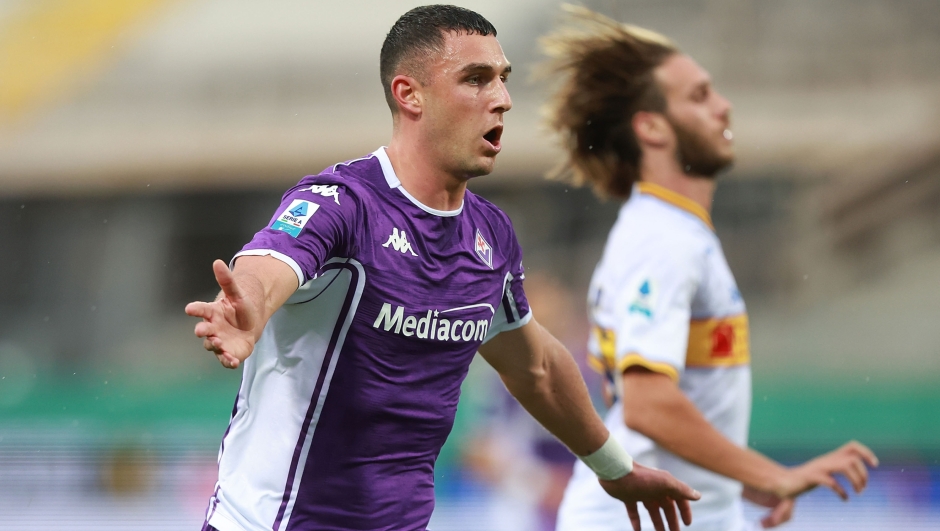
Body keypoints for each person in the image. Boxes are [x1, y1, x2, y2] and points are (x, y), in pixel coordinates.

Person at [185, 6, 700, 531]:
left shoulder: (491, 237)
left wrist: (615, 470)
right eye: (475, 80)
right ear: (410, 94)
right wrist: (248, 305)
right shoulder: (343, 204)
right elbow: (270, 262)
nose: (502, 99)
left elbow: (535, 367)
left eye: (502, 79)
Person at [542, 7, 879, 531]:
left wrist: (735, 477)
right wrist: (772, 474)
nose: (724, 107)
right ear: (652, 127)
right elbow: (645, 407)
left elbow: (647, 402)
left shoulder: (676, 232)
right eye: (699, 96)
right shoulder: (662, 240)